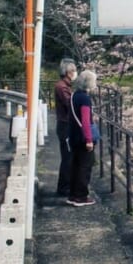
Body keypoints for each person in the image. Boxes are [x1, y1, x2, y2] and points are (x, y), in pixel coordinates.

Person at [67, 69, 98, 206]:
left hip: (73, 136)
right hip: (82, 137)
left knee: (75, 165)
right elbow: (85, 120)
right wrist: (89, 140)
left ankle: (73, 195)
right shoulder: (85, 98)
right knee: (85, 166)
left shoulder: (74, 95)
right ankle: (81, 196)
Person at [53, 58, 77, 197]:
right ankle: (64, 187)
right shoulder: (62, 87)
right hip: (65, 125)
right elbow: (70, 104)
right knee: (67, 158)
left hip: (64, 125)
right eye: (73, 70)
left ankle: (65, 186)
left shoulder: (64, 86)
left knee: (68, 157)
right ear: (67, 72)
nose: (74, 73)